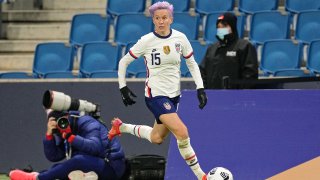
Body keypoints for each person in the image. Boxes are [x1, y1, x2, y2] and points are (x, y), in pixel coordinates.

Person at [108, 1, 208, 180]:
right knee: (182, 132)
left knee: (157, 138)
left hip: (173, 95)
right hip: (155, 95)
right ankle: (202, 176)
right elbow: (123, 62)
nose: (161, 21)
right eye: (157, 18)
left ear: (171, 19)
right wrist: (122, 87)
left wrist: (200, 87)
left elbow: (191, 63)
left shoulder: (180, 38)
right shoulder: (146, 41)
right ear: (153, 20)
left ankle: (121, 127)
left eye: (164, 18)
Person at [9, 110, 126, 180]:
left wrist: (70, 137)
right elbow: (54, 156)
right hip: (92, 166)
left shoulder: (88, 122)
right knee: (57, 169)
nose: (61, 124)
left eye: (62, 120)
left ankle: (36, 178)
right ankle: (84, 177)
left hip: (112, 167)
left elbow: (95, 147)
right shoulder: (63, 131)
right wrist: (49, 135)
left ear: (67, 117)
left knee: (77, 161)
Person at [199, 12, 258, 89]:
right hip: (213, 97)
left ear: (232, 27)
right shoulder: (212, 49)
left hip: (236, 98)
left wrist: (240, 96)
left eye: (224, 26)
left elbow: (250, 77)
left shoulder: (244, 46)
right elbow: (202, 72)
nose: (221, 29)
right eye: (218, 27)